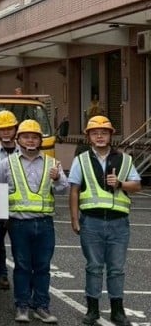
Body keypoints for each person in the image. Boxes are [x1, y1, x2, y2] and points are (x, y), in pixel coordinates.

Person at [69, 116, 141, 326]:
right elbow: (74, 190)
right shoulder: (81, 159)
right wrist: (74, 219)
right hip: (91, 221)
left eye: (104, 132)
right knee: (94, 266)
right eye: (94, 133)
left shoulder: (125, 159)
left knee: (117, 268)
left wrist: (120, 184)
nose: (99, 136)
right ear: (88, 137)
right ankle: (92, 310)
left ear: (111, 135)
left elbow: (137, 185)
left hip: (119, 223)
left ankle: (118, 310)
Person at [0, 119, 68, 323]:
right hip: (18, 224)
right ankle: (22, 306)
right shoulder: (6, 163)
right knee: (22, 266)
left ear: (40, 141)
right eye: (26, 136)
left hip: (45, 223)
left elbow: (64, 190)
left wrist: (58, 179)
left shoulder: (53, 164)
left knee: (43, 266)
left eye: (35, 137)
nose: (31, 140)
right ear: (18, 139)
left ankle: (42, 306)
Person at [0, 110, 21, 301]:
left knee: (20, 251)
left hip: (17, 206)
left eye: (10, 129)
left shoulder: (23, 150)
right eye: (2, 129)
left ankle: (21, 294)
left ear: (15, 130)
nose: (6, 133)